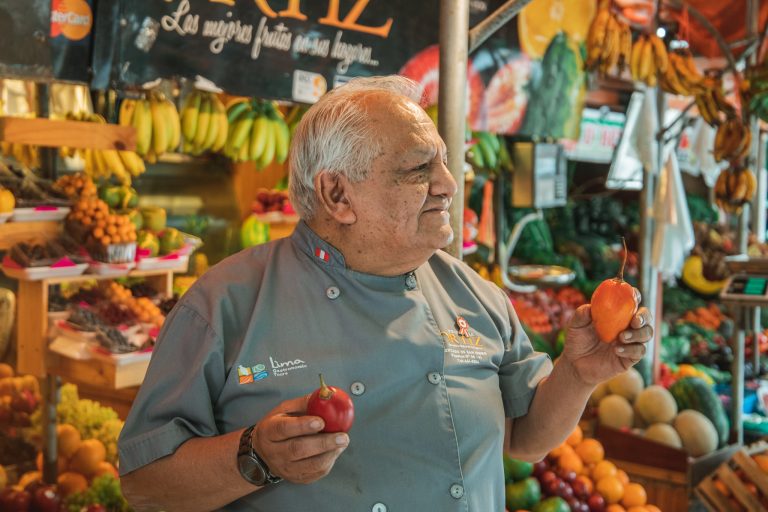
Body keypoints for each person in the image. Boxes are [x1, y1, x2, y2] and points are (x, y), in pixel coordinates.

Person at [118, 75, 653, 512]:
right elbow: (144, 483)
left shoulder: (473, 293)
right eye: (419, 169)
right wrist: (253, 457)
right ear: (337, 194)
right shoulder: (225, 304)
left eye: (443, 162)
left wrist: (579, 373)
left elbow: (528, 438)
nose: (448, 183)